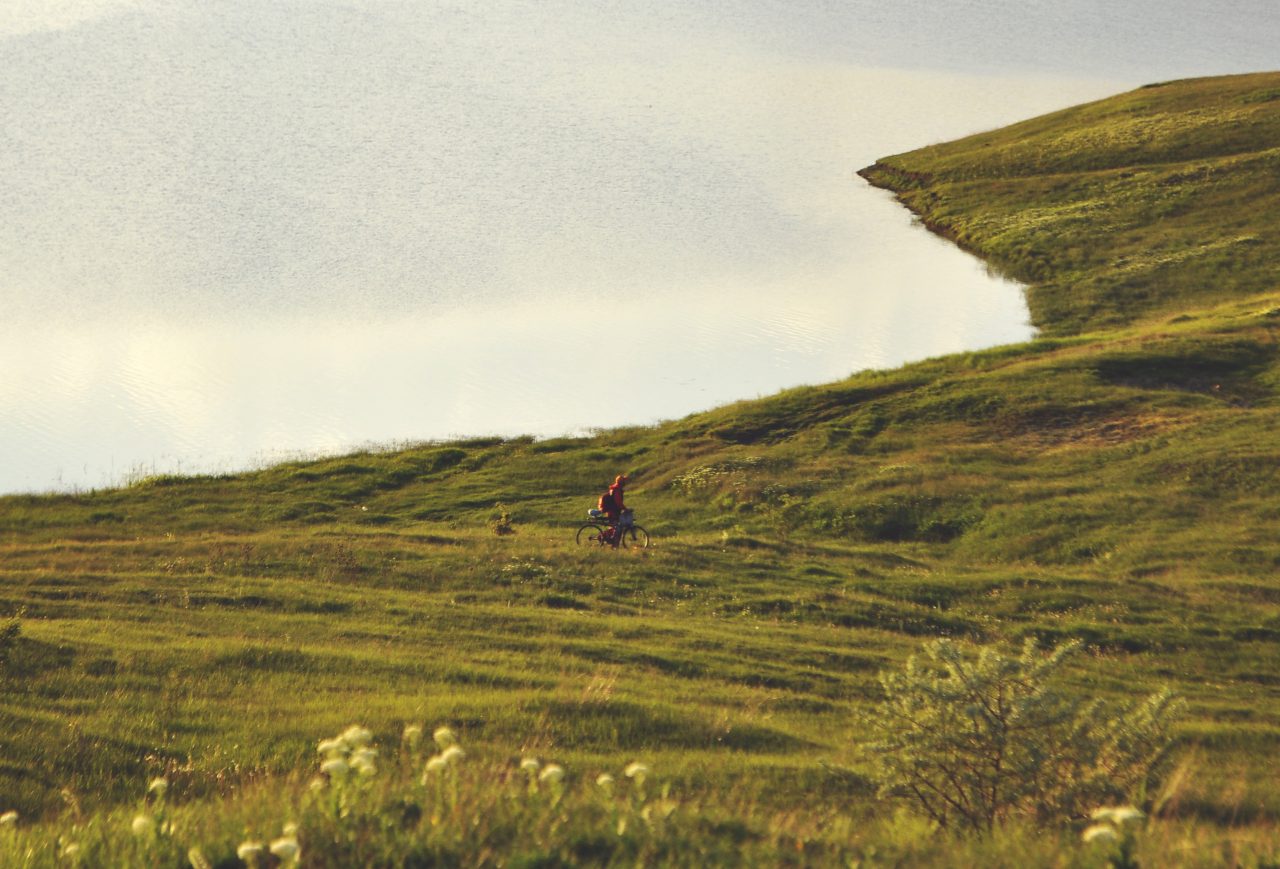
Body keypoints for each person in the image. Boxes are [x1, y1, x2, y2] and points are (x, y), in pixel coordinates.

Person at [597, 474, 629, 544]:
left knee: (616, 527)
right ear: (621, 482)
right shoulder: (617, 490)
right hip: (613, 512)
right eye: (624, 481)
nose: (625, 483)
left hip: (613, 511)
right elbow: (618, 502)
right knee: (617, 528)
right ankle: (604, 538)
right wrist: (625, 509)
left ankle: (612, 542)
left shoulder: (616, 489)